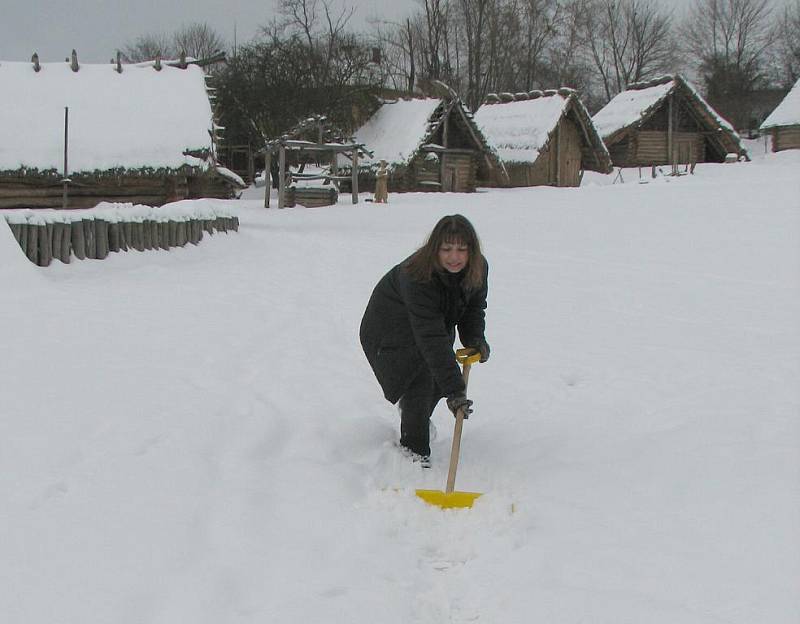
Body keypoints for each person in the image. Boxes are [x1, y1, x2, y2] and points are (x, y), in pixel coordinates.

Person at [360, 214, 490, 464]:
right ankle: (413, 454)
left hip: (428, 325)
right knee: (418, 381)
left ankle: (416, 418)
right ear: (435, 249)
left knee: (435, 379)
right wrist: (456, 391)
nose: (455, 257)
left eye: (462, 249)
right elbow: (430, 337)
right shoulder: (417, 276)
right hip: (387, 329)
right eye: (447, 249)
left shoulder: (478, 269)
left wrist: (474, 338)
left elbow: (473, 306)